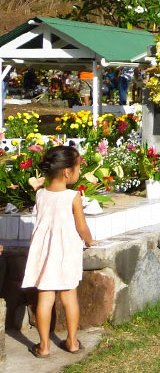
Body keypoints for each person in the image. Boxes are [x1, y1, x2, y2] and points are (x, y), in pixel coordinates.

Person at [21, 145, 96, 358]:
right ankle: (72, 342)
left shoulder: (40, 195)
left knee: (45, 296)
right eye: (78, 167)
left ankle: (44, 346)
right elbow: (81, 227)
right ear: (67, 172)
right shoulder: (73, 197)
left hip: (45, 252)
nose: (79, 171)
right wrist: (89, 240)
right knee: (69, 295)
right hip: (66, 251)